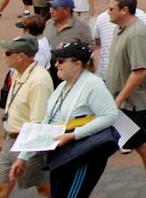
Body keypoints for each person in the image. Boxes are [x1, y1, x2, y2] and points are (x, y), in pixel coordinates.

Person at [11, 41, 119, 198]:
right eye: (56, 61)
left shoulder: (92, 84)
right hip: (62, 153)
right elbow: (45, 123)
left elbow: (110, 115)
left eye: (61, 61)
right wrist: (23, 157)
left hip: (82, 153)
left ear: (77, 64)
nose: (56, 65)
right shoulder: (62, 87)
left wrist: (74, 135)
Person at [103, 0, 146, 198]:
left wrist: (119, 99)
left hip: (131, 104)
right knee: (141, 145)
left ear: (124, 10)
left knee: (143, 145)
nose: (107, 12)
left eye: (111, 8)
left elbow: (139, 72)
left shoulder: (136, 33)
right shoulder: (120, 29)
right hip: (119, 101)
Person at [0, 35, 52, 198]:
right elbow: (12, 109)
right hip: (10, 141)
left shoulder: (39, 81)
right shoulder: (18, 73)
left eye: (8, 52)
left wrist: (23, 156)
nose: (5, 55)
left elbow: (38, 122)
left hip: (27, 144)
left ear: (21, 56)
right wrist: (4, 136)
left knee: (45, 189)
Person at [92, 0, 146, 79]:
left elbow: (97, 41)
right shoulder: (139, 15)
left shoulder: (102, 18)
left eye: (111, 7)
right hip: (121, 72)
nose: (108, 12)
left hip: (110, 71)